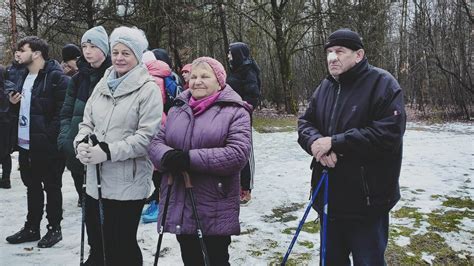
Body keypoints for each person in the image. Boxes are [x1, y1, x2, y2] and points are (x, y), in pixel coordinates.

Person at [297, 28, 406, 265]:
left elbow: (388, 133)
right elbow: (306, 122)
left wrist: (336, 142)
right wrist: (316, 144)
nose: (332, 57)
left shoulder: (382, 83)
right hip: (328, 197)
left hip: (367, 201)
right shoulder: (325, 86)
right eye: (329, 52)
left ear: (358, 55)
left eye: (339, 51)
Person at [148, 56, 252, 265]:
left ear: (219, 81)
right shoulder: (178, 108)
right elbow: (155, 142)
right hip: (181, 198)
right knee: (190, 257)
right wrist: (167, 156)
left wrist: (189, 159)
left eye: (205, 76)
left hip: (214, 202)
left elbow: (237, 154)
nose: (197, 81)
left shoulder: (235, 111)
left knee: (215, 259)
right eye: (194, 76)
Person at [74, 26, 162, 266]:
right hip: (95, 180)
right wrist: (81, 143)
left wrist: (108, 151)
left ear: (137, 56)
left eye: (126, 53)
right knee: (97, 243)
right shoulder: (102, 84)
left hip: (127, 182)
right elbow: (86, 122)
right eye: (116, 52)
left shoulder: (148, 89)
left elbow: (146, 137)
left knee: (121, 246)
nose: (120, 58)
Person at [6, 36, 68, 248]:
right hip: (25, 143)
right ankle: (32, 227)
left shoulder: (56, 78)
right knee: (31, 186)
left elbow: (62, 112)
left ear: (37, 53)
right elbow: (27, 110)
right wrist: (14, 105)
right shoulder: (22, 76)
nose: (18, 54)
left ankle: (54, 229)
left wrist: (50, 137)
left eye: (23, 50)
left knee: (51, 186)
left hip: (47, 145)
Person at [58, 26, 111, 208]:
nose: (87, 51)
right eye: (84, 46)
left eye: (93, 46)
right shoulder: (77, 79)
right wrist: (66, 139)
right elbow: (66, 112)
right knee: (88, 209)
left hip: (106, 154)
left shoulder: (113, 76)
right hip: (77, 147)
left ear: (104, 48)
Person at [227, 41, 261, 204]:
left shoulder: (249, 70)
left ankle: (247, 189)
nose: (228, 56)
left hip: (242, 116)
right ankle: (236, 186)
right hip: (229, 116)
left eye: (230, 53)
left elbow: (253, 96)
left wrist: (242, 110)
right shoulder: (234, 70)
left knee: (246, 152)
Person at [0, 66, 16, 189]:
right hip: (7, 124)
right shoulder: (11, 87)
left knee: (5, 153)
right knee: (5, 153)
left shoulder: (7, 89)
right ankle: (6, 179)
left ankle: (5, 179)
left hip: (5, 122)